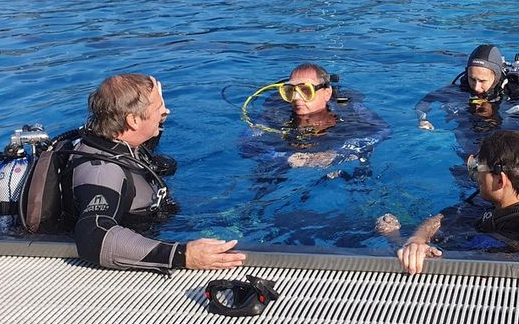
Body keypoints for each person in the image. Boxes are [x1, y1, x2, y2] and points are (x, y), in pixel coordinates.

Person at [71, 73, 246, 271]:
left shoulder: (114, 139)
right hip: (143, 238)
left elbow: (141, 138)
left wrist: (156, 117)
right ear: (133, 120)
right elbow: (93, 236)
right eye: (159, 107)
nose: (166, 110)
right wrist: (181, 255)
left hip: (158, 219)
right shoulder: (102, 172)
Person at [389, 130, 519, 274]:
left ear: (500, 180)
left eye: (479, 170)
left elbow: (444, 267)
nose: (477, 177)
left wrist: (395, 238)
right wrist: (417, 240)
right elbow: (442, 218)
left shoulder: (504, 245)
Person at [243, 62, 390, 171]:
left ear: (327, 93)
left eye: (306, 90)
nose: (296, 98)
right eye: (290, 91)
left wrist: (339, 153)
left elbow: (382, 131)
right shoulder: (275, 113)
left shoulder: (348, 108)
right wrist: (286, 157)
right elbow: (247, 144)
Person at [415, 44, 519, 160]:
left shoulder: (517, 92)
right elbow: (424, 102)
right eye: (472, 79)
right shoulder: (460, 90)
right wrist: (423, 119)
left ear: (496, 76)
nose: (476, 87)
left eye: (482, 81)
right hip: (470, 137)